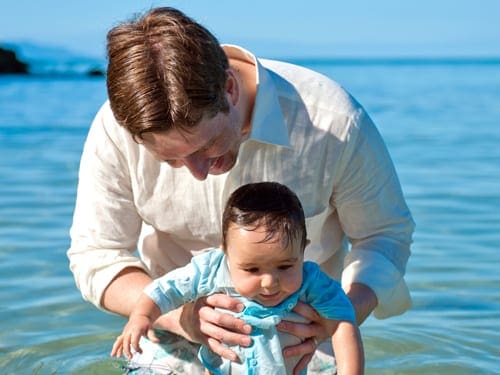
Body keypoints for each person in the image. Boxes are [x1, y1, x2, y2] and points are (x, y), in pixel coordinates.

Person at [67, 6, 414, 374]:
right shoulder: (115, 129)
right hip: (171, 333)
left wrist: (337, 318)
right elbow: (97, 254)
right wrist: (181, 318)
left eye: (206, 146)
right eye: (171, 160)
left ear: (229, 88)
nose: (198, 172)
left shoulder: (334, 121)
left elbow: (383, 236)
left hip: (304, 342)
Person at [110, 182, 364, 374]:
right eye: (252, 269)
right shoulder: (211, 270)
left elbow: (344, 324)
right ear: (226, 253)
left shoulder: (312, 282)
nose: (269, 282)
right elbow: (164, 290)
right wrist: (141, 318)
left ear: (302, 250)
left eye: (285, 266)